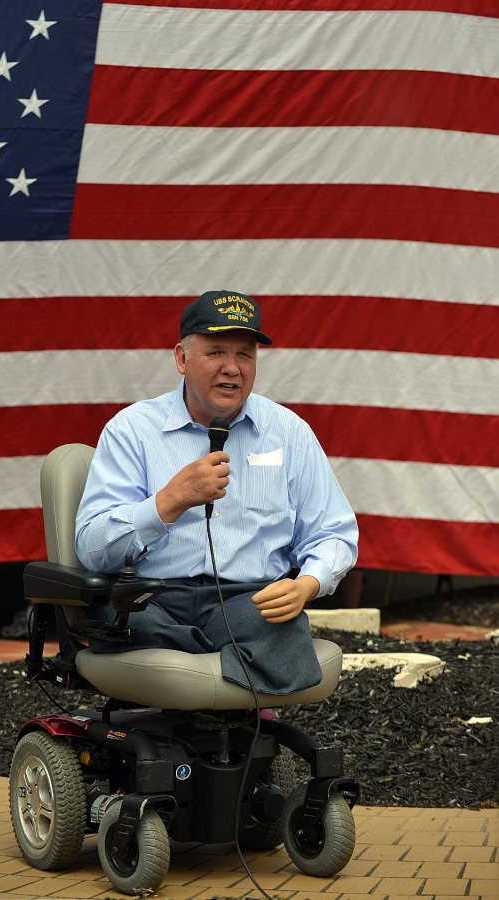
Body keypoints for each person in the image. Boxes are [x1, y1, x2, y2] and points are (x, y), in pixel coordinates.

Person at [75, 290, 358, 695]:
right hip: (153, 599)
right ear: (181, 358)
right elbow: (92, 548)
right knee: (127, 622)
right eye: (216, 352)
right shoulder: (132, 429)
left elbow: (333, 533)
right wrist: (169, 501)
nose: (232, 368)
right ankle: (239, 665)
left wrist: (306, 584)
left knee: (282, 623)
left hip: (246, 601)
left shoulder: (288, 431)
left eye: (245, 355)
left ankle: (202, 665)